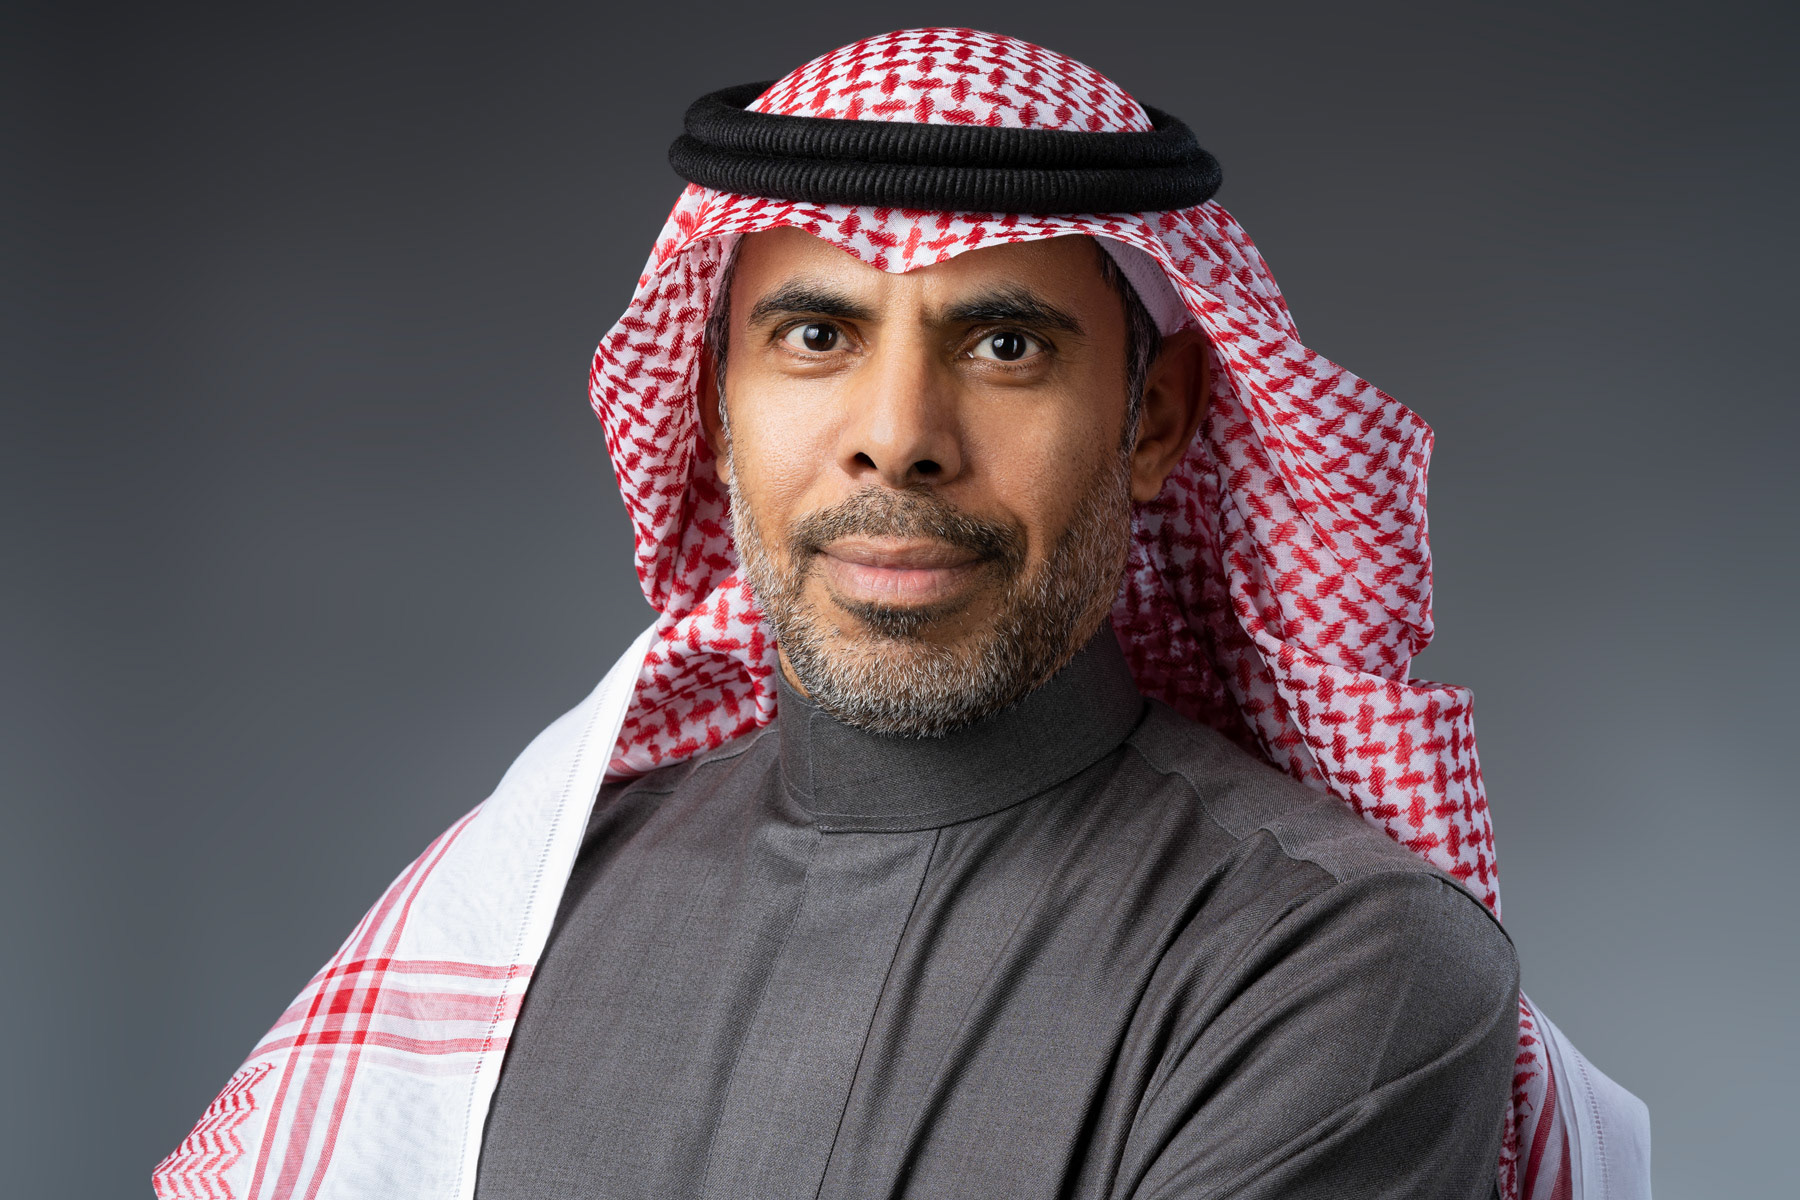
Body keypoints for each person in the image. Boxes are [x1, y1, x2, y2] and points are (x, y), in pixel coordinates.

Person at [154, 28, 1649, 1200]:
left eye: (1004, 345)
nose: (897, 437)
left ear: (1154, 420)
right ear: (712, 407)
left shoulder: (1329, 964)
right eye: (817, 334)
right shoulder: (525, 911)